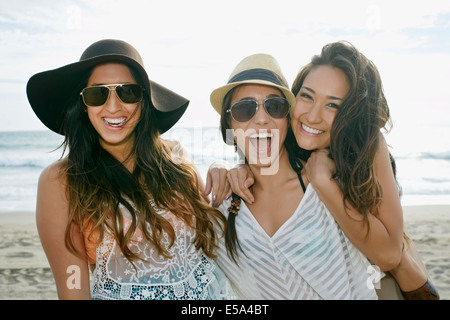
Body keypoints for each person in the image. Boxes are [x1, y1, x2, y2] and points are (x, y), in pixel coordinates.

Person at [210, 41, 439, 300]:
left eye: (333, 104)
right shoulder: (230, 194)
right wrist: (225, 167)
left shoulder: (362, 147)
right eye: (307, 97)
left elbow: (389, 256)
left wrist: (323, 181)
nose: (313, 116)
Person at [26, 39, 234, 300]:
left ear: (144, 101)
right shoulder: (60, 182)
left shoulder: (175, 155)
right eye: (98, 94)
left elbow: (210, 225)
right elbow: (73, 286)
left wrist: (223, 166)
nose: (113, 107)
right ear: (83, 103)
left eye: (128, 92)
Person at [208, 52, 378, 299]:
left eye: (274, 106)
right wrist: (217, 164)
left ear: (288, 118)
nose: (262, 119)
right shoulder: (219, 210)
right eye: (245, 109)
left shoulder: (328, 186)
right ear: (229, 125)